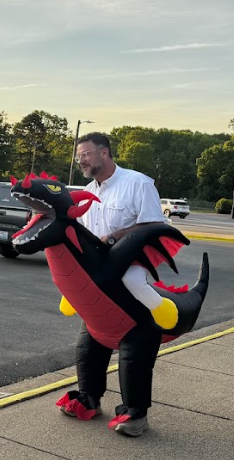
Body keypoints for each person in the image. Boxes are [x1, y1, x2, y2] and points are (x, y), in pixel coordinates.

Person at [58, 132, 166, 437]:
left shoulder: (137, 183)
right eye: (79, 156)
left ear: (104, 153)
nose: (81, 160)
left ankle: (136, 413)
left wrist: (116, 237)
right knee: (90, 340)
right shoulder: (86, 192)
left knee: (135, 346)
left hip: (130, 276)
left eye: (86, 154)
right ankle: (88, 398)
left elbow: (154, 226)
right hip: (97, 285)